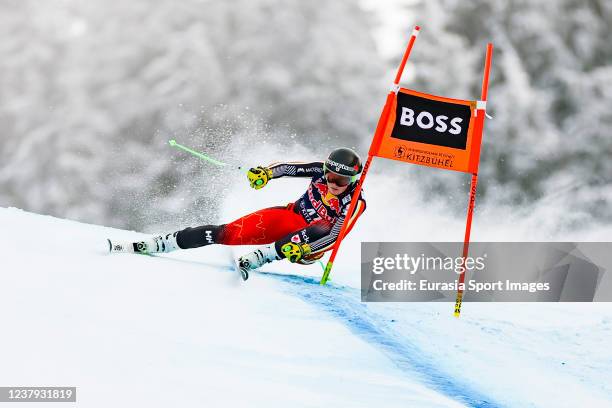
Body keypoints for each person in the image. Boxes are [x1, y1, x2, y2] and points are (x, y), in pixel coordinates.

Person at [110, 148, 366, 279]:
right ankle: (161, 243)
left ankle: (260, 257)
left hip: (312, 246)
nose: (333, 183)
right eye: (330, 176)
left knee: (320, 227)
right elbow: (288, 167)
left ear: (352, 180)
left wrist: (301, 249)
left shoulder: (354, 201)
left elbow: (335, 235)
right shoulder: (319, 171)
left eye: (341, 181)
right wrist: (266, 174)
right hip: (289, 218)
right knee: (227, 233)